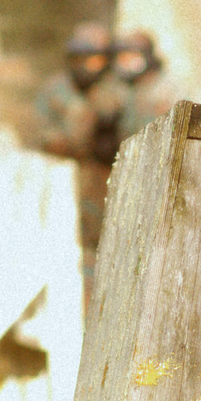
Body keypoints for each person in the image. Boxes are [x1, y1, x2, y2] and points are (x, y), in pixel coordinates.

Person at [36, 21, 124, 267]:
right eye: (80, 59)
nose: (86, 67)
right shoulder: (55, 89)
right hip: (60, 179)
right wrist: (64, 144)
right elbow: (40, 133)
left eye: (94, 59)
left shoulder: (117, 91)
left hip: (103, 182)